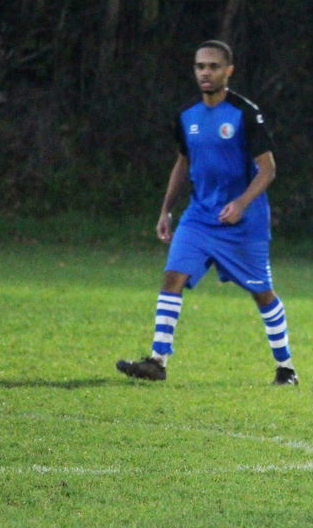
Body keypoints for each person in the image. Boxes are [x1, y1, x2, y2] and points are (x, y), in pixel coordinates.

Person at [117, 40, 298, 385]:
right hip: (199, 216)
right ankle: (157, 361)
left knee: (262, 292)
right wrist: (166, 210)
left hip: (244, 222)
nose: (206, 72)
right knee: (173, 278)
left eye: (213, 67)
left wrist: (241, 203)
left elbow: (268, 169)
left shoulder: (245, 113)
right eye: (200, 66)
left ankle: (286, 367)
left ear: (228, 71)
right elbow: (183, 163)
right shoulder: (187, 115)